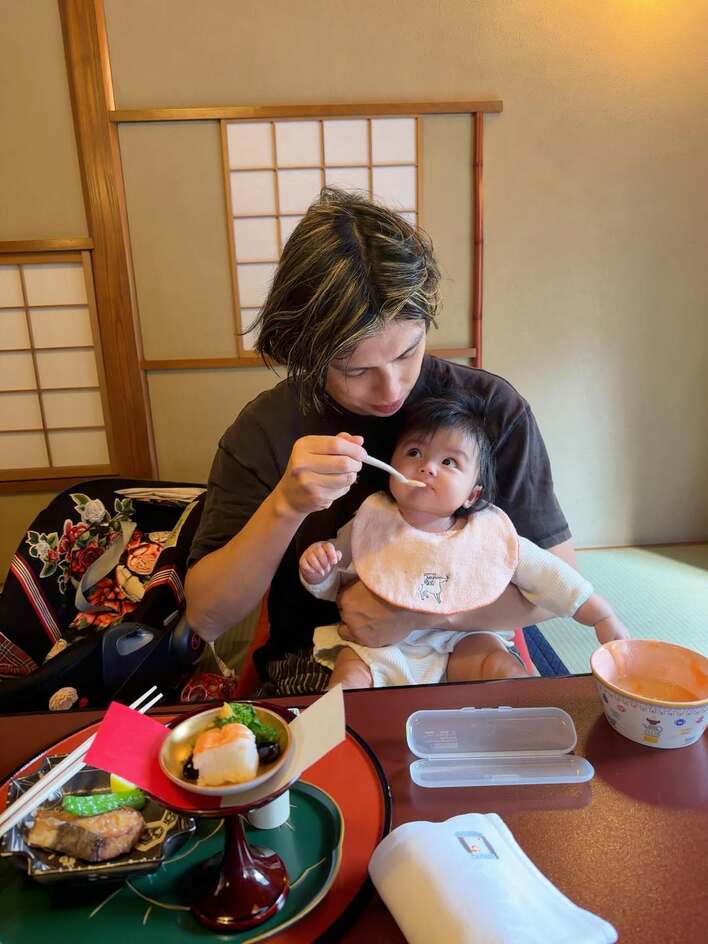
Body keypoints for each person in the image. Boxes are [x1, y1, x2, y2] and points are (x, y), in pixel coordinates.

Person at [186, 188, 579, 695]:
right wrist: (285, 505)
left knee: (528, 743)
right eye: (356, 370)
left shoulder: (490, 411)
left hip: (471, 636)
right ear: (305, 352)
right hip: (320, 649)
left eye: (407, 353)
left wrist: (417, 618)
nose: (391, 388)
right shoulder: (267, 429)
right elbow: (207, 616)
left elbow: (559, 586)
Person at [299, 393, 629, 689]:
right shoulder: (371, 520)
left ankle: (532, 719)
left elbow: (555, 578)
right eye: (414, 452)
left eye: (449, 462)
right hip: (381, 645)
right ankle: (341, 743)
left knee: (498, 665)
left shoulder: (489, 536)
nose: (427, 467)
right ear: (390, 467)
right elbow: (338, 588)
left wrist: (601, 615)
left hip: (464, 641)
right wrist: (319, 573)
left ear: (472, 495)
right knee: (350, 674)